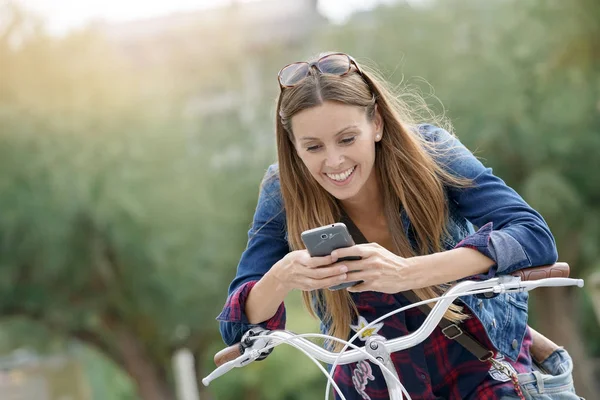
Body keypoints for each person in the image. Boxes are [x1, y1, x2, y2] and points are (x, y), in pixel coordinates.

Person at [216, 52, 580, 399]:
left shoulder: (430, 151)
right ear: (294, 148)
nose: (334, 160)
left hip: (477, 369)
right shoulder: (283, 190)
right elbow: (236, 329)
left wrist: (409, 272)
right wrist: (281, 277)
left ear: (376, 123)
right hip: (370, 385)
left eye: (347, 139)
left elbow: (532, 235)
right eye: (313, 147)